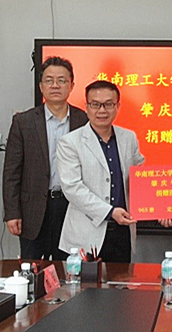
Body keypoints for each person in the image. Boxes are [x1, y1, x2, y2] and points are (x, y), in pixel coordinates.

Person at [2, 56, 88, 260]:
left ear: (72, 85)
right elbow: (12, 172)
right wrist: (12, 213)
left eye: (62, 80)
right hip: (33, 210)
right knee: (32, 269)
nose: (55, 85)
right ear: (41, 86)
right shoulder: (23, 122)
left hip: (72, 208)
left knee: (69, 268)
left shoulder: (84, 120)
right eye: (49, 80)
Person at [56, 80, 144, 262]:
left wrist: (163, 208)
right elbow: (72, 188)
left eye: (108, 104)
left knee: (121, 280)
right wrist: (110, 211)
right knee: (82, 282)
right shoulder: (70, 142)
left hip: (122, 232)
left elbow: (141, 178)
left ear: (118, 106)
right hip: (85, 235)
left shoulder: (129, 137)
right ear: (86, 107)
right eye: (95, 104)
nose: (102, 110)